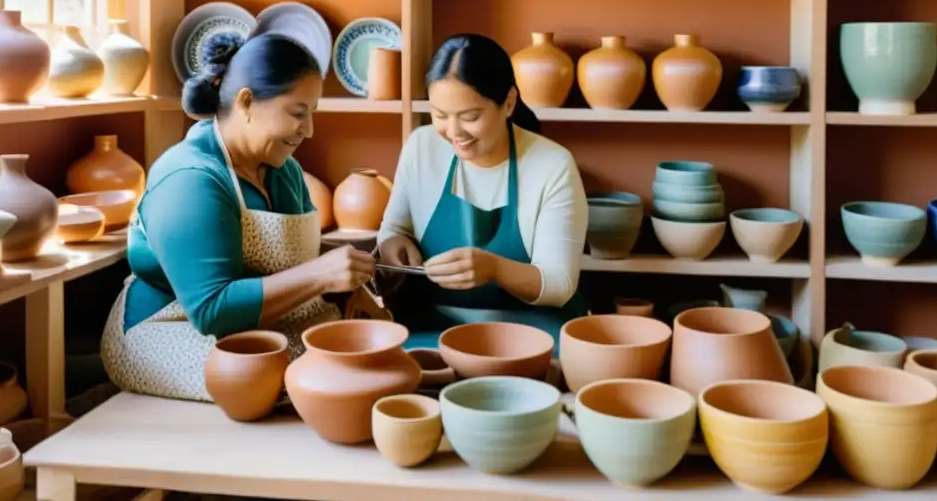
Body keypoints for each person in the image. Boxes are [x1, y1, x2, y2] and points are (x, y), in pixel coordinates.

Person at [100, 31, 376, 402]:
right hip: (171, 328)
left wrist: (346, 285)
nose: (308, 130)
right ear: (246, 101)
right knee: (276, 382)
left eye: (311, 114)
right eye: (297, 113)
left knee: (353, 364)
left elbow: (294, 266)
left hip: (260, 323)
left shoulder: (284, 171)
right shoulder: (190, 178)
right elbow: (212, 310)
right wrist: (321, 273)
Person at [376, 33, 589, 351]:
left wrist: (495, 269)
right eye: (440, 115)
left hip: (531, 331)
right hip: (432, 327)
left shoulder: (552, 164)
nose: (454, 132)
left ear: (509, 103)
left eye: (470, 117)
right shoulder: (421, 147)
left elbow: (559, 284)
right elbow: (394, 230)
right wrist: (394, 246)